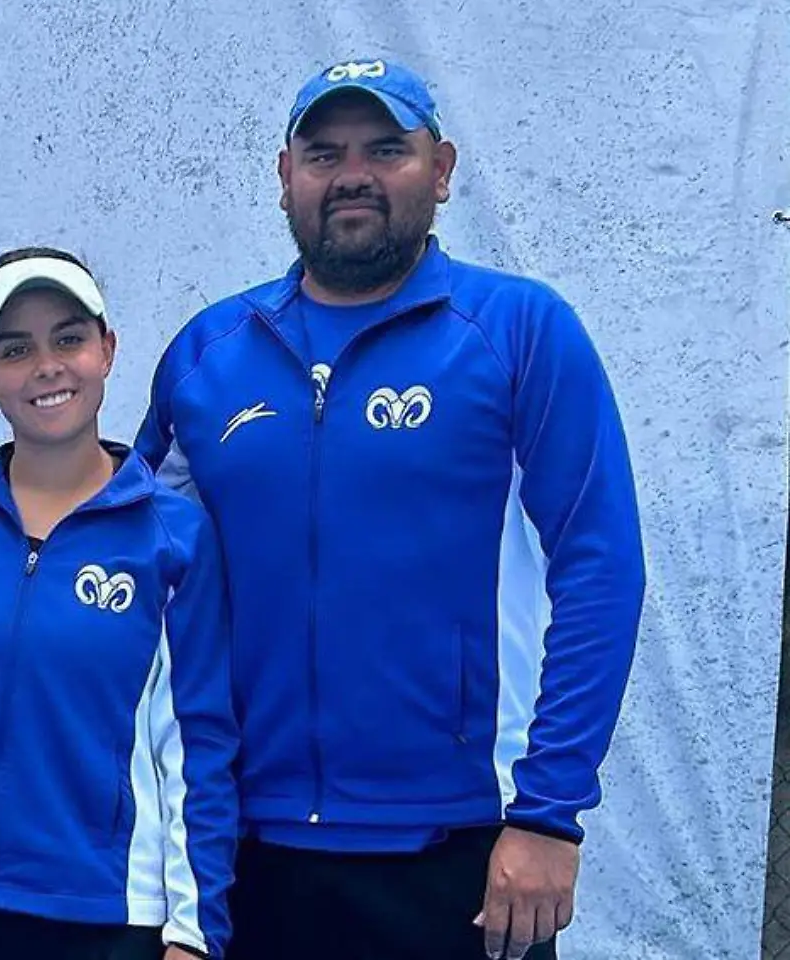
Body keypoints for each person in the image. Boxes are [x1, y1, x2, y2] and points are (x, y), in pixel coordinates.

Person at [134, 58, 646, 960]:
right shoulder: (208, 355)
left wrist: (549, 815)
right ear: (285, 176)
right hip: (249, 851)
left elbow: (601, 568)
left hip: (465, 853)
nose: (353, 175)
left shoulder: (520, 329)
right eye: (324, 154)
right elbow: (113, 540)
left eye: (386, 149)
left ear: (441, 169)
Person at [0, 247, 240, 960]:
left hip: (99, 913)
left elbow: (196, 746)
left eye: (69, 338)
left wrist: (194, 934)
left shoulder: (173, 538)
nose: (47, 365)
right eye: (16, 349)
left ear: (106, 349)